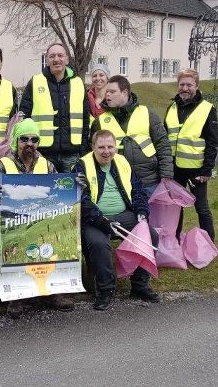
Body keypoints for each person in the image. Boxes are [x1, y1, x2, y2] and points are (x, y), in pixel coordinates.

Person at [0, 118, 74, 319]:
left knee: (56, 239)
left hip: (41, 223)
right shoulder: (4, 164)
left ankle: (51, 292)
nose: (29, 143)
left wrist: (75, 186)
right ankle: (16, 296)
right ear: (16, 141)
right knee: (13, 245)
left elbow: (59, 194)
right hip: (10, 225)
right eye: (24, 139)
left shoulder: (48, 165)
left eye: (34, 139)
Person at [74, 130, 161, 311]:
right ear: (93, 147)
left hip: (124, 214)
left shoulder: (122, 162)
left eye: (110, 147)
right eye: (101, 147)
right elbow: (82, 201)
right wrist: (104, 222)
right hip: (95, 218)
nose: (106, 151)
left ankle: (139, 285)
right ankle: (105, 290)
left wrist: (142, 212)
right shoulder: (81, 166)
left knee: (150, 235)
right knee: (99, 244)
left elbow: (138, 190)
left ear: (116, 147)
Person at [90, 75, 173, 198]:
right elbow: (92, 153)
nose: (107, 95)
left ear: (125, 93)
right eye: (106, 92)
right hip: (116, 183)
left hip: (149, 182)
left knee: (152, 217)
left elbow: (163, 146)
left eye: (112, 92)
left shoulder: (147, 114)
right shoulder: (99, 121)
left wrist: (166, 176)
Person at [164, 69, 218, 241]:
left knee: (201, 207)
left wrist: (207, 170)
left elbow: (212, 142)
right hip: (175, 168)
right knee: (175, 207)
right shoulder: (171, 108)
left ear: (197, 85)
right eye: (182, 84)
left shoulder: (207, 109)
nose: (185, 88)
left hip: (196, 169)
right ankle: (174, 242)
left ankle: (210, 243)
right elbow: (165, 138)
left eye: (189, 84)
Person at [19, 42, 91, 172]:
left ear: (67, 59)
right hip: (42, 153)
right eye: (52, 56)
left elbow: (85, 119)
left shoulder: (78, 83)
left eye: (60, 55)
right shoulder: (35, 82)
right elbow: (23, 117)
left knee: (71, 191)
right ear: (47, 61)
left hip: (72, 153)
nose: (56, 59)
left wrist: (83, 148)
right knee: (43, 191)